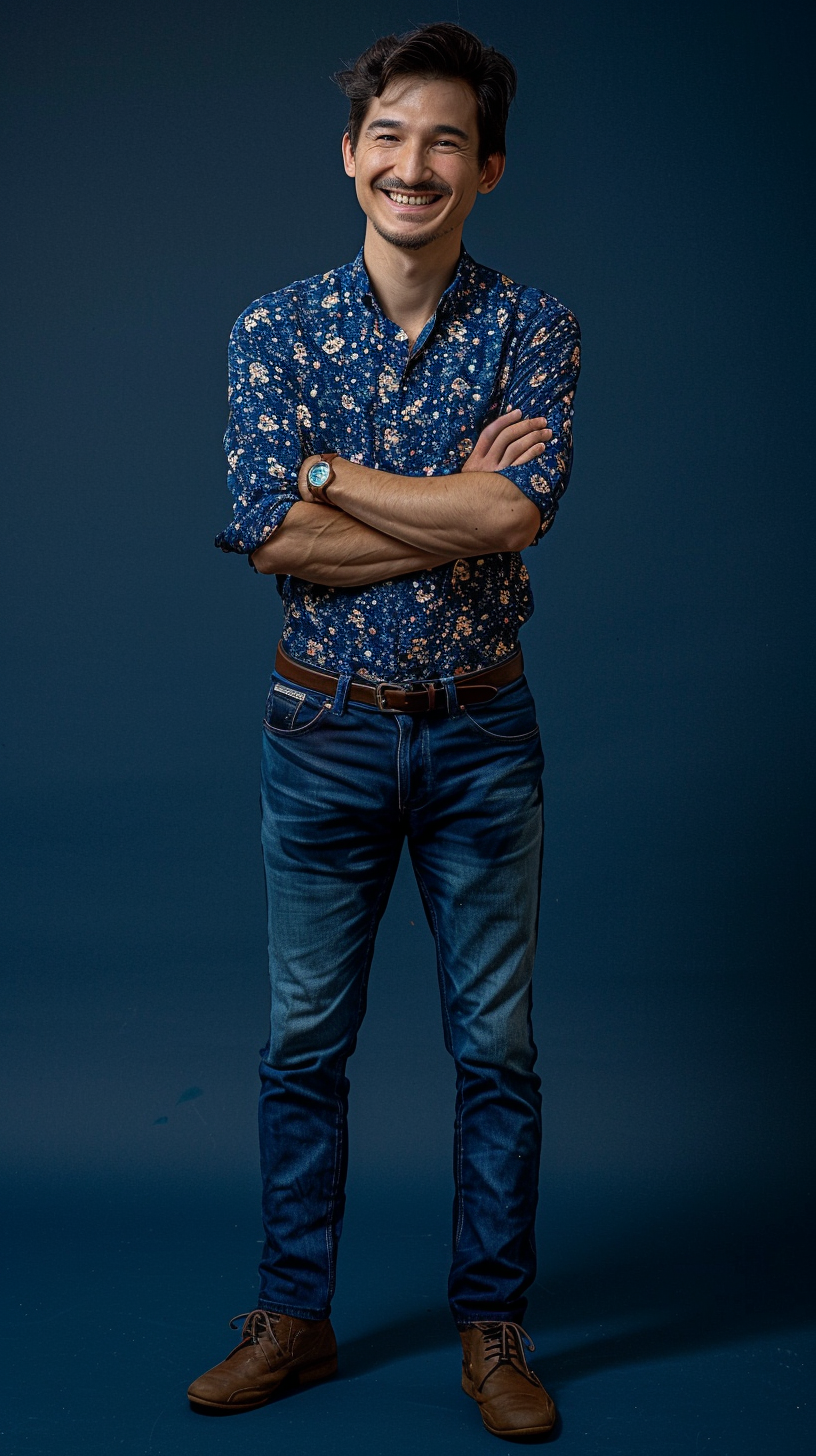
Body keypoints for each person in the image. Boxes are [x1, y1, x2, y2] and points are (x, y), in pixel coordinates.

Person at [187, 21, 580, 1441]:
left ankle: (494, 1328)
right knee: (303, 1047)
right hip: (323, 732)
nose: (416, 164)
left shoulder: (536, 328)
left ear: (489, 169)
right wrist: (446, 514)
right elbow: (268, 543)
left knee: (500, 1053)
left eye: (448, 142)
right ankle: (293, 1319)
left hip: (483, 736)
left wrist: (332, 477)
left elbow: (516, 513)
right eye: (391, 136)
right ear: (353, 155)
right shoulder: (272, 328)